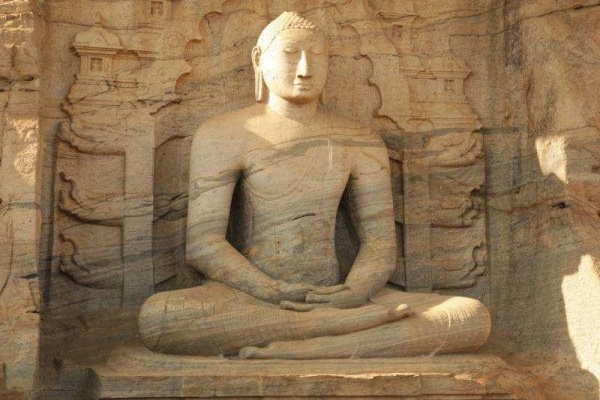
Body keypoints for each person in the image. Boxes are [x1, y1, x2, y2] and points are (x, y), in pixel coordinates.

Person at [138, 11, 490, 359]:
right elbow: (203, 245)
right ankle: (333, 329)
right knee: (159, 318)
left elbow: (379, 242)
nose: (305, 69)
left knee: (470, 316)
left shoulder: (358, 138)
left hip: (338, 296)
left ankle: (314, 341)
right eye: (291, 55)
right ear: (259, 59)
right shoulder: (224, 133)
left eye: (317, 56)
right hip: (248, 298)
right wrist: (270, 290)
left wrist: (354, 292)